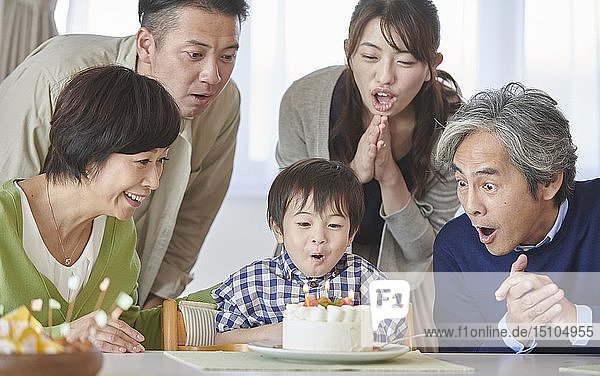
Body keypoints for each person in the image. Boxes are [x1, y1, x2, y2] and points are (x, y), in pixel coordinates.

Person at [0, 0, 250, 309]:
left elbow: (195, 213)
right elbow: (9, 190)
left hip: (112, 294)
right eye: (195, 55)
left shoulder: (222, 104)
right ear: (146, 44)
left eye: (227, 57)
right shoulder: (57, 75)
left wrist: (159, 308)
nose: (213, 76)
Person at [276, 0, 461, 348]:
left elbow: (424, 249)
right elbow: (289, 220)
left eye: (405, 61)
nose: (385, 76)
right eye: (370, 56)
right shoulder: (303, 100)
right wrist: (352, 174)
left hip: (401, 292)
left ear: (430, 67)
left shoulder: (452, 128)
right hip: (305, 282)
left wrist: (389, 175)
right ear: (348, 52)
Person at [0, 65, 184, 352]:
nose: (155, 181)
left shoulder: (118, 229)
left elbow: (128, 331)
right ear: (88, 153)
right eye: (143, 161)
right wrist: (59, 336)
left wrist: (232, 297)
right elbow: (76, 335)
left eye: (162, 161)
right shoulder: (4, 218)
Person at [433, 82, 600, 353]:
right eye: (462, 182)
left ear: (548, 181)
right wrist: (513, 331)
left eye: (489, 186)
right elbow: (459, 364)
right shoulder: (455, 245)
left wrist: (575, 320)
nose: (471, 206)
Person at [211, 158, 405, 344]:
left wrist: (342, 331)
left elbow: (396, 334)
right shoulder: (254, 282)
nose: (319, 237)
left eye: (334, 225)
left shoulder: (364, 278)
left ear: (351, 234)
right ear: (278, 229)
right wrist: (275, 332)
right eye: (304, 223)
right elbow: (219, 338)